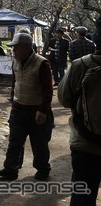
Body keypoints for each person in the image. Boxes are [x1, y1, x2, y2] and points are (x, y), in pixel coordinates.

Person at [0, 32, 54, 181]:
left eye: (16, 47)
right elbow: (15, 81)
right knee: (15, 140)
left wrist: (42, 110)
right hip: (19, 107)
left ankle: (43, 169)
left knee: (39, 142)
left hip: (37, 110)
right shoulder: (16, 60)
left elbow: (48, 89)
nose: (13, 51)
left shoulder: (42, 63)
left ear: (26, 47)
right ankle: (10, 169)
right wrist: (13, 97)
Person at [58, 17, 101, 206]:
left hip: (86, 144)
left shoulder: (80, 64)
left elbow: (65, 99)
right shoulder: (85, 45)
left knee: (83, 196)